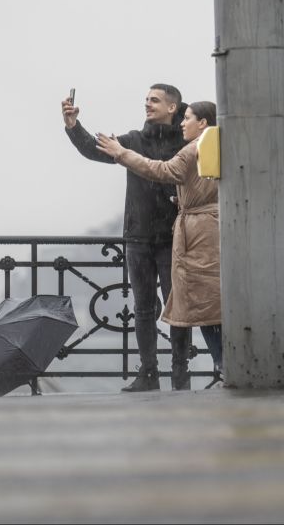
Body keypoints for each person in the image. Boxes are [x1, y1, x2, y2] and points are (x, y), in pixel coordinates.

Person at [61, 85, 187, 391]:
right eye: (146, 100)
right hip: (138, 238)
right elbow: (93, 149)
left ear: (172, 107)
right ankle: (148, 373)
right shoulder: (134, 141)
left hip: (174, 239)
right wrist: (73, 125)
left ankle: (180, 374)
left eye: (154, 100)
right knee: (143, 308)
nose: (147, 104)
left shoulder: (186, 143)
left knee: (180, 310)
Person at [96, 101, 223, 389]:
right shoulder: (212, 145)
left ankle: (220, 363)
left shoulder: (193, 148)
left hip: (198, 234)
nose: (183, 123)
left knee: (201, 302)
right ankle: (205, 366)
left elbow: (163, 171)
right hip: (205, 227)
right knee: (205, 301)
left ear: (203, 122)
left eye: (188, 118)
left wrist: (122, 153)